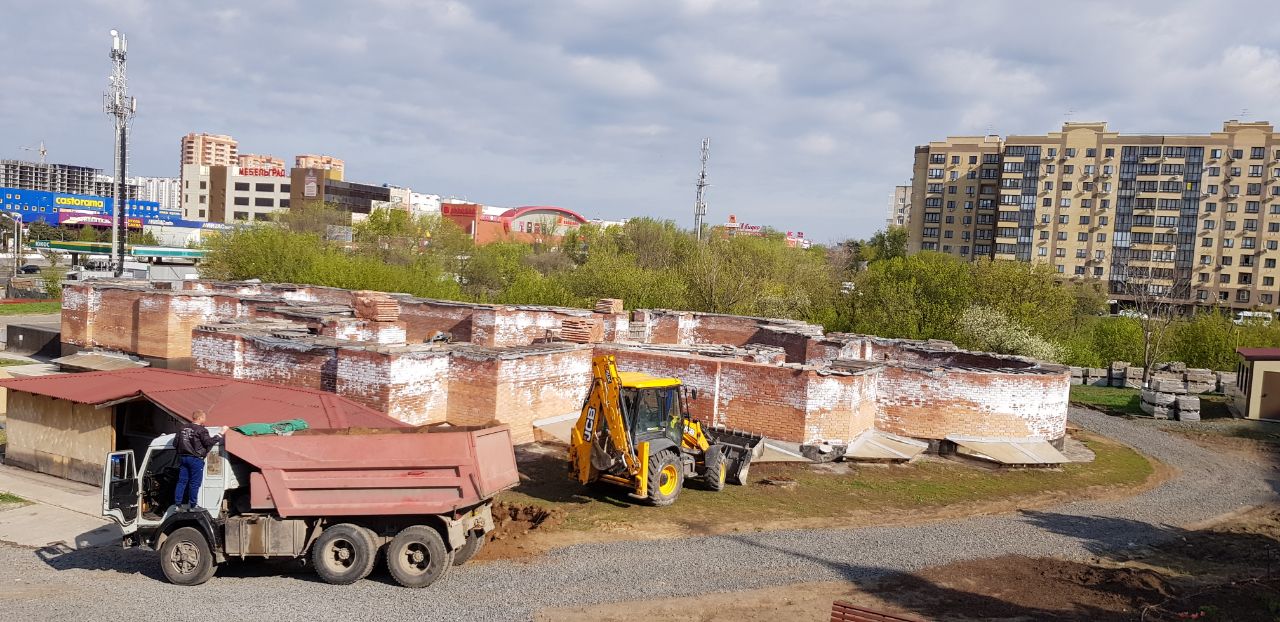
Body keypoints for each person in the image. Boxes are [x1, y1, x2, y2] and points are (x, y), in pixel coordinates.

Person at [174, 410, 225, 511]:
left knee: (181, 482)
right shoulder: (201, 430)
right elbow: (208, 442)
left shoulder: (182, 428)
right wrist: (221, 434)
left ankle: (178, 505)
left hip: (183, 458)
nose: (205, 419)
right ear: (200, 418)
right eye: (204, 417)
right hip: (195, 459)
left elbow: (175, 443)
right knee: (194, 483)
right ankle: (193, 506)